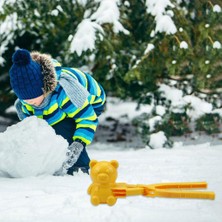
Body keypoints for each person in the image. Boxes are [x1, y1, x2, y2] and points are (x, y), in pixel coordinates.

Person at [9, 49, 106, 175]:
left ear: (44, 89)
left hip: (89, 101)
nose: (29, 103)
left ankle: (79, 167)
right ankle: (54, 162)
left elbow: (87, 118)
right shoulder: (26, 102)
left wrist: (79, 143)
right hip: (57, 105)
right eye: (25, 100)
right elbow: (32, 126)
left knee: (62, 127)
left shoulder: (65, 93)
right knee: (50, 124)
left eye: (32, 99)